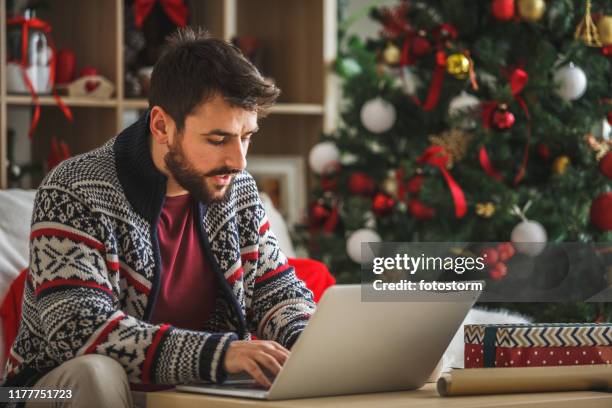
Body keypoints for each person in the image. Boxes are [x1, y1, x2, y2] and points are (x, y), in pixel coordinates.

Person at [3, 27, 316, 408]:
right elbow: (79, 332)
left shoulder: (239, 190)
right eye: (217, 140)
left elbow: (278, 292)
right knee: (96, 373)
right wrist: (223, 354)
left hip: (186, 393)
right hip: (42, 389)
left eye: (246, 135)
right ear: (162, 126)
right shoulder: (72, 189)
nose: (239, 161)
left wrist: (309, 344)